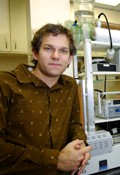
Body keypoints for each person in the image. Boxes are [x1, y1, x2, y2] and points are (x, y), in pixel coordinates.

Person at [0, 23, 92, 175]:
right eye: (48, 48)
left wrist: (80, 147)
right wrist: (56, 160)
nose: (56, 56)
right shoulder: (5, 83)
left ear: (70, 58)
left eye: (63, 51)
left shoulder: (70, 85)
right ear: (35, 53)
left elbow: (74, 124)